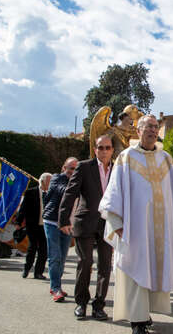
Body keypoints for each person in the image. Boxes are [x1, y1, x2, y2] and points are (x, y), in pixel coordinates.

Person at [99, 114, 173, 334]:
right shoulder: (126, 157)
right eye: (148, 126)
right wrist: (116, 222)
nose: (153, 130)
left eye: (155, 126)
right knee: (136, 270)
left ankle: (146, 313)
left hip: (162, 229)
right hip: (136, 228)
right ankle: (137, 321)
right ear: (138, 131)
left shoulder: (166, 159)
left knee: (153, 270)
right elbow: (114, 194)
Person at [59, 135, 114, 321]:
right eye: (101, 147)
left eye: (107, 147)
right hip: (85, 222)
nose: (104, 151)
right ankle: (81, 303)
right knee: (85, 262)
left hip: (108, 224)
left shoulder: (118, 169)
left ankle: (99, 305)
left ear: (112, 150)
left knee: (105, 266)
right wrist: (64, 219)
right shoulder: (84, 167)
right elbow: (70, 192)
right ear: (95, 149)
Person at [43, 157, 78, 302]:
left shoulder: (78, 181)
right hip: (52, 222)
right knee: (55, 255)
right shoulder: (57, 178)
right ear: (64, 168)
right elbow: (61, 190)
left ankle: (56, 285)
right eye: (69, 168)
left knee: (62, 257)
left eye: (75, 169)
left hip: (68, 224)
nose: (71, 171)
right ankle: (55, 287)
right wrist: (78, 189)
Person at [16, 173, 51, 279]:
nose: (51, 183)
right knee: (32, 247)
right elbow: (23, 208)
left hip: (46, 226)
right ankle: (26, 269)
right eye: (50, 181)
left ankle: (38, 272)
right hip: (33, 225)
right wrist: (18, 222)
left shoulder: (51, 193)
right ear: (43, 181)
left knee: (44, 250)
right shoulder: (31, 192)